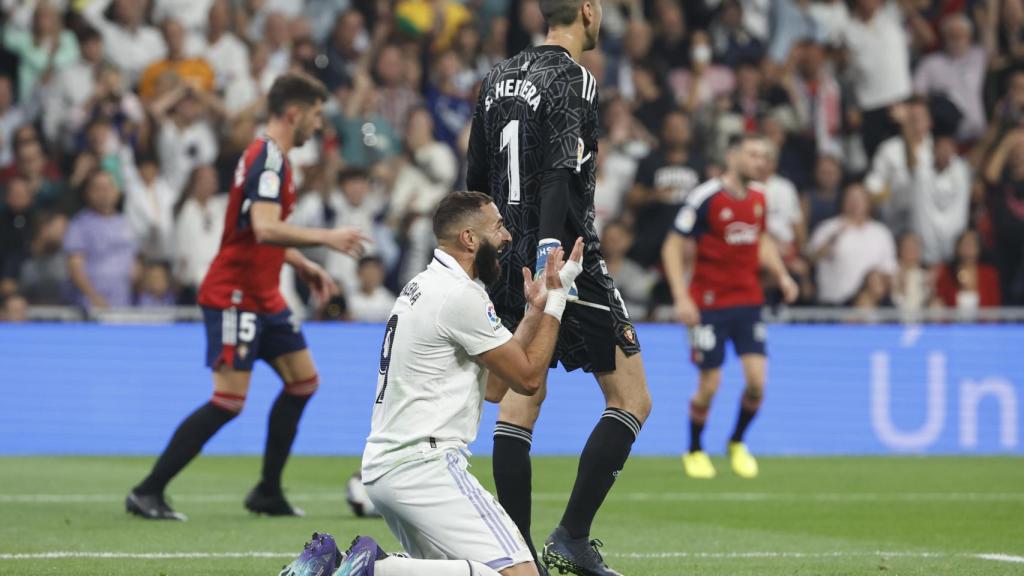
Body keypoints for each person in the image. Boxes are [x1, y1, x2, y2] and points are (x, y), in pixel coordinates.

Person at [280, 191, 585, 576]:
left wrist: (534, 311)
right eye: (499, 226)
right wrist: (558, 299)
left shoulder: (427, 285)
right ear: (469, 239)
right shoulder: (459, 295)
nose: (507, 237)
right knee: (522, 574)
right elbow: (527, 379)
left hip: (388, 467)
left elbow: (494, 388)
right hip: (426, 467)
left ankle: (349, 565)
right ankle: (367, 569)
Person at [126, 71, 368, 521]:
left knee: (303, 382)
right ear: (293, 113)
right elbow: (264, 227)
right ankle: (147, 490)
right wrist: (326, 239)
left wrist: (299, 263)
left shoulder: (269, 156)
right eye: (315, 116)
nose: (318, 126)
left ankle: (267, 491)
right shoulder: (269, 160)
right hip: (234, 294)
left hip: (264, 294)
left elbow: (256, 231)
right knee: (229, 401)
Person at [466, 1, 653, 573]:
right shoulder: (575, 77)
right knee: (631, 399)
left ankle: (516, 554)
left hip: (503, 255)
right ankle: (570, 537)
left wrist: (483, 257)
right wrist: (552, 250)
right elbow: (559, 170)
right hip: (566, 259)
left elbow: (475, 180)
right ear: (588, 11)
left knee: (520, 401)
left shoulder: (496, 78)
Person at [661, 134, 798, 480]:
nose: (760, 161)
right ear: (731, 155)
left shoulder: (758, 199)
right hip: (708, 305)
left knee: (756, 384)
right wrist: (681, 295)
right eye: (753, 154)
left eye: (765, 156)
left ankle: (737, 441)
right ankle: (694, 449)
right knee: (710, 385)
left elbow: (761, 239)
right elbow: (672, 246)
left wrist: (782, 275)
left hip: (748, 301)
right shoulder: (706, 197)